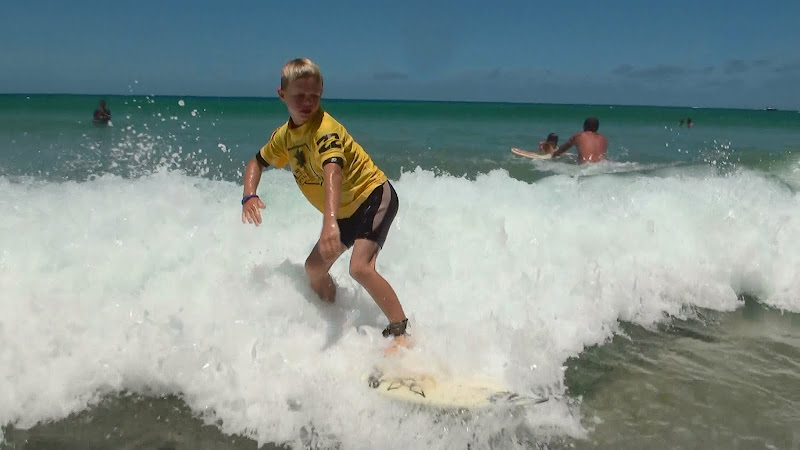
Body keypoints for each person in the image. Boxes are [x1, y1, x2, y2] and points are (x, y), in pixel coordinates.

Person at [240, 58, 409, 343]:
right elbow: (256, 162)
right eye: (299, 96)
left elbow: (333, 172)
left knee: (359, 267)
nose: (307, 102)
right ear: (282, 95)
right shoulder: (284, 137)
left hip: (373, 196)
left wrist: (329, 222)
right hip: (343, 212)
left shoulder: (325, 130)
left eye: (314, 96)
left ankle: (400, 332)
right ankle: (334, 311)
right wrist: (249, 195)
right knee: (314, 269)